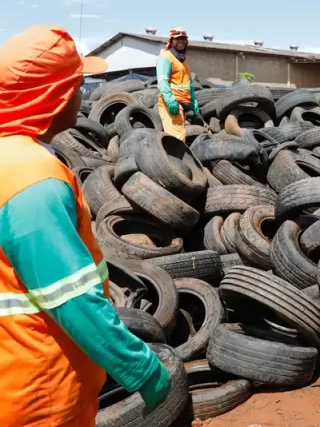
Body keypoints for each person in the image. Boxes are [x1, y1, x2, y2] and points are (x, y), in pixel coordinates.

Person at [0, 26, 171, 426]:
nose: (82, 94)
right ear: (53, 96)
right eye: (76, 84)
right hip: (41, 390)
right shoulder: (33, 180)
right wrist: (141, 369)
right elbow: (70, 296)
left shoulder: (10, 159)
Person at [156, 27, 200, 141]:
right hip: (171, 104)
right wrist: (170, 100)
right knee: (177, 139)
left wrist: (193, 100)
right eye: (177, 38)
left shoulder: (184, 60)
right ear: (171, 41)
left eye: (183, 38)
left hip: (183, 104)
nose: (181, 41)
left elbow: (188, 82)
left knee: (178, 136)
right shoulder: (166, 57)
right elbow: (162, 80)